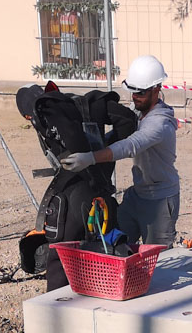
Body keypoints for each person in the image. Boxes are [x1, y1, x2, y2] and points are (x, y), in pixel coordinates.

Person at [60, 54, 179, 246]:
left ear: (157, 89)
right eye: (132, 92)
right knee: (114, 246)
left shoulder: (160, 123)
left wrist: (91, 158)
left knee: (158, 260)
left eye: (140, 92)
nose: (134, 97)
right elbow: (121, 134)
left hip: (160, 201)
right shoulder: (138, 112)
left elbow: (130, 145)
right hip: (137, 195)